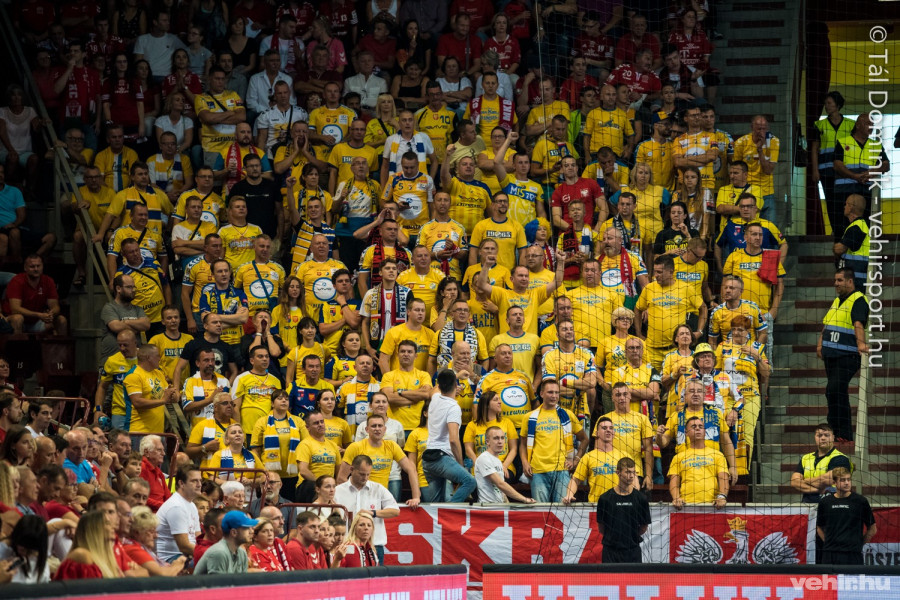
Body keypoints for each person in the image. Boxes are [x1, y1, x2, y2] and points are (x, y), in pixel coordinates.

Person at [818, 268, 869, 441]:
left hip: (847, 355)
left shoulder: (858, 299)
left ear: (850, 281)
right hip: (831, 354)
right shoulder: (837, 300)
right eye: (835, 280)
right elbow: (827, 324)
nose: (836, 284)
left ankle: (841, 432)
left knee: (834, 389)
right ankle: (838, 433)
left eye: (840, 280)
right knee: (835, 392)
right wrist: (820, 344)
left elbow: (858, 323)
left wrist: (861, 344)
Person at [521, 379, 588, 503]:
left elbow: (584, 439)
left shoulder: (567, 415)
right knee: (541, 511)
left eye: (557, 393)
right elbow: (523, 444)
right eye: (550, 392)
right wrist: (525, 462)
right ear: (541, 394)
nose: (554, 396)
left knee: (561, 510)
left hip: (562, 470)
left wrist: (576, 460)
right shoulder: (529, 417)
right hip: (538, 471)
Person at [635, 255, 706, 370]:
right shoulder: (649, 288)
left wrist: (700, 331)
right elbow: (638, 309)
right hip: (652, 351)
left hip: (676, 350)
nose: (655, 275)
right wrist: (638, 333)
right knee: (652, 381)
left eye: (659, 272)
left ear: (671, 272)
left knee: (676, 379)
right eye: (655, 271)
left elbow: (703, 308)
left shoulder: (685, 288)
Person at [333, 455, 402, 565]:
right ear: (351, 469)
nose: (365, 478)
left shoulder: (378, 489)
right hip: (347, 544)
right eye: (361, 474)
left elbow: (395, 510)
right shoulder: (338, 491)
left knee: (376, 576)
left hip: (374, 544)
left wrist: (373, 513)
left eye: (368, 474)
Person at [422, 370, 477, 503]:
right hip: (442, 457)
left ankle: (441, 516)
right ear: (455, 386)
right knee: (469, 481)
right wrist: (460, 464)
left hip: (428, 459)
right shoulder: (453, 407)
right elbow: (453, 439)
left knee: (436, 503)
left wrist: (455, 376)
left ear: (440, 385)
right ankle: (450, 511)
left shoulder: (435, 399)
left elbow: (433, 390)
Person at [595, 457, 651, 563]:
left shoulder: (641, 498)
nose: (631, 476)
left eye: (633, 472)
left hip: (632, 550)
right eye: (628, 472)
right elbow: (601, 527)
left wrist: (629, 538)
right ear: (618, 473)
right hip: (610, 551)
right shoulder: (605, 498)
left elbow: (644, 527)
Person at [816, 467, 877, 565]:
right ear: (834, 482)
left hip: (853, 555)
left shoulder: (860, 501)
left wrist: (859, 544)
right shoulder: (825, 502)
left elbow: (873, 529)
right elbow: (819, 527)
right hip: (829, 554)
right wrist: (828, 543)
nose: (847, 483)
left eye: (848, 479)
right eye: (842, 480)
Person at [668, 416, 729, 510]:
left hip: (712, 506)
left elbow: (723, 478)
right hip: (686, 506)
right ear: (686, 432)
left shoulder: (717, 455)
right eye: (693, 426)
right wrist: (676, 498)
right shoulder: (678, 457)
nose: (697, 428)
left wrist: (721, 497)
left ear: (705, 431)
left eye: (701, 426)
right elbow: (674, 482)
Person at [563, 417, 626, 504]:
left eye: (611, 428)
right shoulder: (588, 457)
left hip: (619, 504)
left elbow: (633, 479)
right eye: (604, 428)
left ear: (614, 433)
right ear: (597, 433)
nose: (608, 430)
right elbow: (575, 480)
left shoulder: (623, 456)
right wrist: (569, 494)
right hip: (596, 505)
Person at [195, 67, 247, 166]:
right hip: (212, 148)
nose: (220, 82)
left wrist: (215, 119)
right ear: (210, 79)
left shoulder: (233, 95)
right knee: (215, 176)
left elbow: (242, 116)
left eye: (223, 79)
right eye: (217, 79)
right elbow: (207, 118)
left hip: (233, 147)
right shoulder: (200, 98)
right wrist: (229, 113)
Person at [4, 254, 67, 335]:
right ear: (25, 268)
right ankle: (17, 343)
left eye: (38, 266)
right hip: (15, 319)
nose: (36, 269)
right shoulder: (17, 281)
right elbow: (15, 309)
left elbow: (55, 306)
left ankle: (61, 343)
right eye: (32, 266)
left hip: (37, 321)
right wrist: (38, 315)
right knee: (18, 318)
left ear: (42, 266)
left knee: (61, 320)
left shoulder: (48, 281)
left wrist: (50, 314)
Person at [123, 345, 179, 434]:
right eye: (157, 356)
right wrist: (163, 400)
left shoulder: (158, 373)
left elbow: (172, 398)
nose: (159, 359)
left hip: (158, 431)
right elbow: (137, 402)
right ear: (148, 357)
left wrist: (173, 394)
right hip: (138, 431)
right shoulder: (134, 375)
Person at [733, 115, 779, 222]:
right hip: (747, 191)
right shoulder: (741, 142)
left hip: (766, 192)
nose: (761, 132)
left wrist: (760, 149)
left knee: (769, 228)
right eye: (759, 129)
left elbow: (768, 170)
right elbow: (736, 168)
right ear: (752, 127)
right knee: (749, 226)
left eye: (764, 129)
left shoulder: (774, 142)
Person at [53, 511, 123, 580]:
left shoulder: (107, 559)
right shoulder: (82, 555)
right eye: (107, 523)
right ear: (93, 529)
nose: (113, 527)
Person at [475, 426, 534, 504]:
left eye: (502, 438)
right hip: (487, 506)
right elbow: (500, 484)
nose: (500, 441)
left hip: (498, 506)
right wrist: (524, 499)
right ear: (487, 442)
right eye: (496, 438)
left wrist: (507, 504)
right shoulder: (484, 458)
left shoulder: (498, 461)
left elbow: (502, 492)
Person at [155, 467, 202, 563]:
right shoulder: (176, 506)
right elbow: (184, 546)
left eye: (200, 480)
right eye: (194, 481)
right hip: (169, 558)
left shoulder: (192, 505)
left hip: (185, 554)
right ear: (181, 483)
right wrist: (209, 554)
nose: (199, 484)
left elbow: (198, 538)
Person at [124, 506, 187, 576]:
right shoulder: (132, 549)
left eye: (156, 531)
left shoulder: (144, 548)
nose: (156, 536)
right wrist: (177, 565)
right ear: (136, 532)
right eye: (151, 531)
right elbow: (162, 574)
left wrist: (173, 569)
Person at [194, 510, 256, 574]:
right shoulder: (218, 552)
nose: (251, 531)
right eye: (245, 528)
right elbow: (218, 580)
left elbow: (243, 579)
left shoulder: (242, 552)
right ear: (233, 532)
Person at [186, 391, 238, 465]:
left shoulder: (236, 426)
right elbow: (188, 452)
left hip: (233, 468)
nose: (229, 406)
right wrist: (205, 448)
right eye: (225, 403)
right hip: (209, 469)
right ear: (215, 407)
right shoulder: (203, 425)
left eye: (232, 404)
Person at [833, 194, 869, 290]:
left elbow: (839, 249)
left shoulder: (857, 227)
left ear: (851, 207)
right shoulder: (859, 225)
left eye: (846, 204)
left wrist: (834, 247)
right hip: (856, 277)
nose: (844, 207)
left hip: (856, 279)